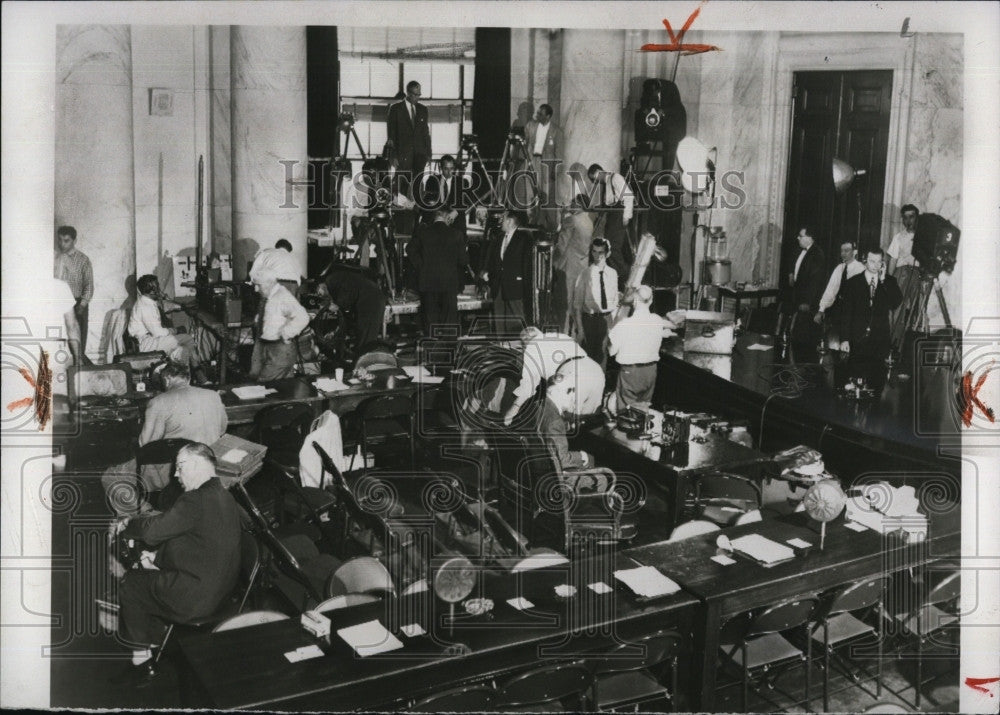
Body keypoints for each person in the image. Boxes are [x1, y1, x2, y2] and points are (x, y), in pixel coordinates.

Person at [110, 442, 243, 684]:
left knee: (131, 583)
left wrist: (130, 524)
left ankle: (142, 662)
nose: (175, 474)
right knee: (148, 568)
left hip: (197, 599)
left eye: (180, 467)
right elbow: (198, 544)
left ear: (195, 464)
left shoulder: (195, 499)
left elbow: (152, 534)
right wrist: (158, 560)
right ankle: (153, 638)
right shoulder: (224, 495)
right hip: (223, 591)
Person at [840, 248, 903, 390]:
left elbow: (896, 303)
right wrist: (844, 338)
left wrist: (883, 280)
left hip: (879, 343)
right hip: (857, 341)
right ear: (864, 261)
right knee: (855, 383)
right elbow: (846, 313)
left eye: (879, 262)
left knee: (876, 385)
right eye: (871, 261)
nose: (875, 265)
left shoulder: (889, 282)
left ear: (883, 264)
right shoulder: (853, 283)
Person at [607, 285, 677, 409]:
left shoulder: (624, 324)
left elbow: (612, 351)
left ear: (634, 301)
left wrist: (609, 331)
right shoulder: (657, 320)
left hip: (631, 373)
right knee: (643, 412)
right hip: (650, 372)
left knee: (626, 415)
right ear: (651, 301)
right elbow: (670, 326)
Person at [503, 326, 586, 426]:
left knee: (549, 417)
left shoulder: (532, 350)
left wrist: (514, 409)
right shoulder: (559, 337)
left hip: (567, 380)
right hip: (589, 373)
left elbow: (528, 385)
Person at [408, 208, 469, 336]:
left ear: (434, 218)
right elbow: (463, 261)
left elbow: (410, 249)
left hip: (428, 283)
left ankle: (432, 350)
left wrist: (421, 266)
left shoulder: (423, 233)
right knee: (449, 323)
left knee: (431, 323)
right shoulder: (456, 234)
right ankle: (449, 353)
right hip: (449, 284)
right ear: (447, 218)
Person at [129, 274, 202, 371]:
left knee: (182, 350)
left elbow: (166, 305)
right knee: (187, 339)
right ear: (152, 290)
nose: (159, 289)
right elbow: (158, 333)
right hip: (146, 343)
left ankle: (182, 378)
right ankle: (198, 374)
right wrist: (175, 330)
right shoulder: (145, 306)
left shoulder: (148, 302)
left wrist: (182, 306)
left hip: (150, 340)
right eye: (158, 286)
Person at [250, 267, 310, 381]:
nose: (256, 289)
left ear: (270, 283)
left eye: (258, 285)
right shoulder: (269, 297)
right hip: (267, 347)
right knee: (282, 390)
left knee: (263, 387)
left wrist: (287, 333)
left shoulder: (283, 296)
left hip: (280, 350)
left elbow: (303, 317)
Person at [318, 263, 388, 351]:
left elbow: (346, 291)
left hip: (371, 301)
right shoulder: (334, 281)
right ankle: (361, 355)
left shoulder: (332, 280)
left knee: (366, 335)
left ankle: (363, 359)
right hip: (372, 298)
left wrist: (338, 305)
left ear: (320, 285)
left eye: (319, 292)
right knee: (364, 333)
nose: (321, 294)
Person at [572, 238, 619, 366]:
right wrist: (580, 329)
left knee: (602, 359)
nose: (597, 256)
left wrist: (612, 327)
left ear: (608, 253)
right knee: (587, 361)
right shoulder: (585, 274)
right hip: (590, 321)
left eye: (601, 252)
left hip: (607, 320)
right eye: (594, 252)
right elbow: (577, 306)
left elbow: (615, 302)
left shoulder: (613, 274)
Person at [779, 226, 826, 348]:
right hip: (795, 297)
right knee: (791, 333)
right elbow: (792, 264)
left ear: (810, 238)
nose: (797, 237)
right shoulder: (798, 250)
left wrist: (807, 302)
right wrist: (790, 274)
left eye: (801, 236)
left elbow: (815, 282)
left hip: (806, 303)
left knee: (803, 337)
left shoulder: (817, 254)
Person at [483, 210, 532, 325]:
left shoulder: (524, 239)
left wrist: (525, 287)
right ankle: (501, 343)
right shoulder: (499, 238)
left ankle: (516, 344)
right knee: (499, 323)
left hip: (515, 288)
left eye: (503, 219)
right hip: (498, 287)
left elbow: (527, 265)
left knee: (516, 323)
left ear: (510, 222)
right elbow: (494, 261)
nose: (501, 222)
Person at [587, 164, 633, 286]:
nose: (595, 182)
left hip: (619, 215)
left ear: (598, 172)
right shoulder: (607, 184)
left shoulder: (616, 178)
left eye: (594, 178)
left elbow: (628, 196)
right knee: (608, 246)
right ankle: (617, 276)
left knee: (613, 247)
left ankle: (627, 275)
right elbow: (610, 201)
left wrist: (626, 216)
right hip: (613, 215)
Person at [553, 196, 594, 335]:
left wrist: (553, 262)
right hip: (581, 266)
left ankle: (563, 334)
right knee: (577, 304)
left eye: (573, 202)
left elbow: (562, 245)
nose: (570, 204)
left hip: (567, 267)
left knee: (564, 304)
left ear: (579, 205)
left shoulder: (572, 220)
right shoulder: (588, 221)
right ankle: (576, 334)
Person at [814, 239, 864, 350]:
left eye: (847, 250)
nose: (843, 254)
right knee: (831, 344)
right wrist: (821, 309)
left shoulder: (861, 269)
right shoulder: (839, 268)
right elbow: (830, 290)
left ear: (855, 252)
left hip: (852, 314)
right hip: (838, 311)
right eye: (841, 251)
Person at [385, 80, 431, 197]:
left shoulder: (423, 110)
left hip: (420, 155)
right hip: (402, 155)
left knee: (417, 187)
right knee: (401, 185)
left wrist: (428, 154)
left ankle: (416, 208)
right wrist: (393, 155)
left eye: (419, 94)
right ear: (408, 93)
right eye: (415, 95)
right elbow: (391, 135)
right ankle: (399, 208)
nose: (418, 97)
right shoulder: (396, 109)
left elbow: (426, 133)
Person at [55, 225, 94, 355]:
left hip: (77, 304)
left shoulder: (83, 260)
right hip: (58, 303)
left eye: (66, 240)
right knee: (59, 342)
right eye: (60, 240)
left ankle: (78, 369)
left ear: (74, 241)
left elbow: (89, 285)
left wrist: (82, 305)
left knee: (77, 344)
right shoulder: (54, 258)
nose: (62, 244)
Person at [524, 104, 562, 232]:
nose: (537, 116)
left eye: (541, 114)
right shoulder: (530, 126)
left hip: (547, 165)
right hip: (532, 162)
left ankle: (549, 226)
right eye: (538, 113)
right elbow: (525, 144)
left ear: (548, 116)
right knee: (530, 192)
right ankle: (532, 221)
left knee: (546, 195)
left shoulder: (556, 131)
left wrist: (555, 171)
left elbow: (559, 153)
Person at [421, 154, 467, 239]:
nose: (449, 172)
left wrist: (456, 212)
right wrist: (441, 215)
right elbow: (430, 201)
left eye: (451, 168)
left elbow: (466, 201)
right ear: (441, 168)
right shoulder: (432, 181)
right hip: (438, 218)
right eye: (446, 168)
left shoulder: (462, 182)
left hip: (455, 219)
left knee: (459, 231)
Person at [886, 204, 920, 276]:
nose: (908, 221)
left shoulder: (924, 237)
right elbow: (893, 260)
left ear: (917, 218)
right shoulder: (898, 237)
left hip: (918, 275)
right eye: (905, 218)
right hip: (901, 275)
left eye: (911, 217)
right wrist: (889, 280)